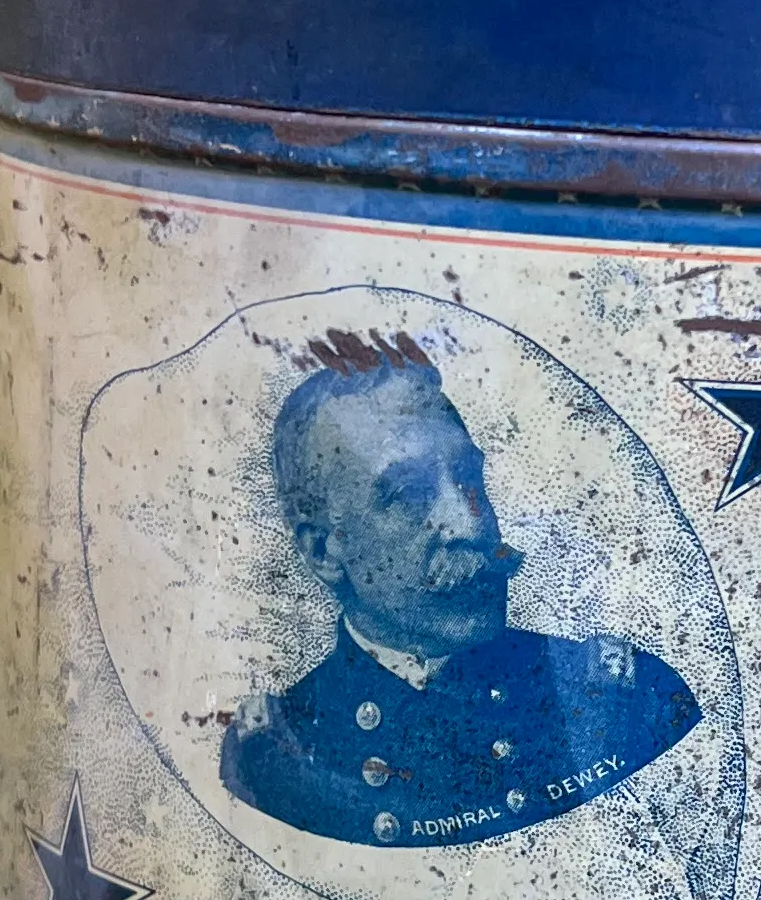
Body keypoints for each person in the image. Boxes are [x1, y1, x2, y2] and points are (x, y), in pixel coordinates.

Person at [223, 347, 699, 847]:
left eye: (469, 477)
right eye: (409, 493)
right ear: (323, 550)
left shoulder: (626, 702)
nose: (471, 523)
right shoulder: (275, 761)